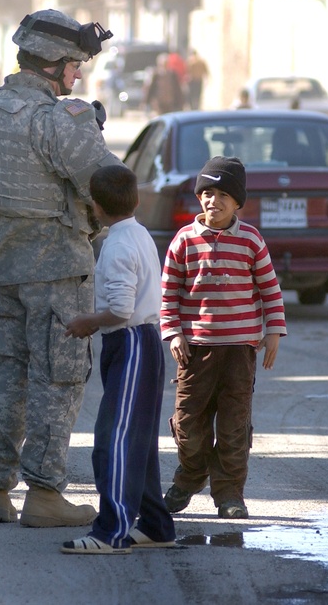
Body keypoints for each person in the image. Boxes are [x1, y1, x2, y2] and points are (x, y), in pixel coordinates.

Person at [0, 8, 121, 528]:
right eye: (75, 65)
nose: (77, 76)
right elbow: (107, 187)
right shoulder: (58, 118)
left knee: (9, 377)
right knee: (58, 379)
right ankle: (45, 494)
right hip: (58, 270)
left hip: (6, 267)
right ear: (55, 63)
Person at [159, 156, 287, 520]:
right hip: (195, 352)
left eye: (223, 195)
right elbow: (168, 294)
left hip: (239, 353)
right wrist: (174, 333)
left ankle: (230, 493)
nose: (213, 201)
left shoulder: (250, 240)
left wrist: (273, 329)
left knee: (233, 427)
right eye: (207, 193)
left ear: (237, 202)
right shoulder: (184, 241)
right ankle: (189, 477)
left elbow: (269, 288)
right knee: (188, 423)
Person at [60, 165, 176, 554]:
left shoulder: (118, 245)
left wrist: (86, 323)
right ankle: (156, 525)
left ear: (94, 205)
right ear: (136, 199)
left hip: (130, 342)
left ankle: (110, 532)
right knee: (136, 439)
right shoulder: (138, 234)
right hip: (141, 343)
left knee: (115, 442)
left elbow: (121, 310)